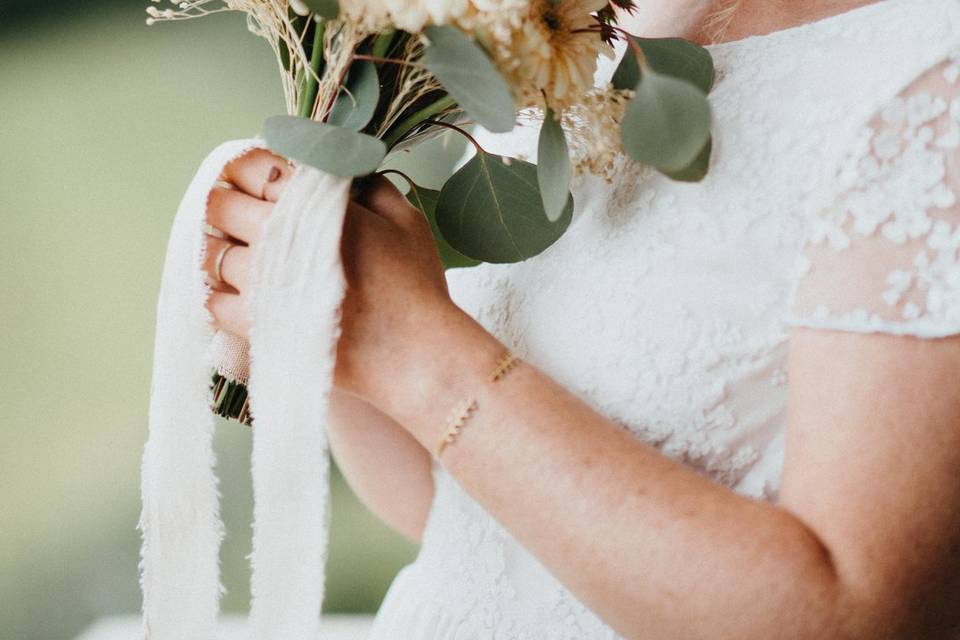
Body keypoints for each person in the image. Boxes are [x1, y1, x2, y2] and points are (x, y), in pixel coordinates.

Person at [201, 0, 960, 637]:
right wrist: (322, 314)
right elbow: (460, 518)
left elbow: (852, 613)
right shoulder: (570, 30)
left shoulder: (927, 91)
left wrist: (415, 352)